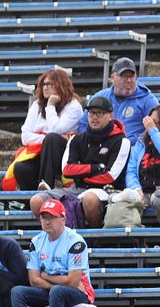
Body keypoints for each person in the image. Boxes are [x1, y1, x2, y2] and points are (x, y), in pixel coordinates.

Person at [32, 95, 129, 229]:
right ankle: (56, 237)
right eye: (91, 113)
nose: (94, 117)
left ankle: (96, 239)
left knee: (89, 199)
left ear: (110, 115)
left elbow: (110, 176)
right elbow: (67, 170)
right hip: (76, 188)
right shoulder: (76, 139)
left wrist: (81, 173)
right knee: (36, 201)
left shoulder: (121, 140)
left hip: (106, 190)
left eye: (100, 113)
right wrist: (95, 169)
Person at [14, 198, 95, 307]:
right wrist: (56, 283)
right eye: (43, 218)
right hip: (52, 292)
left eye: (51, 217)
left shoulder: (75, 241)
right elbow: (34, 280)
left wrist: (45, 276)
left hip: (79, 293)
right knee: (17, 291)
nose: (46, 222)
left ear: (63, 219)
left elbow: (73, 282)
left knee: (57, 291)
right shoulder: (36, 241)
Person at [4, 69, 82, 192]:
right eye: (43, 84)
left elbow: (56, 129)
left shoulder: (73, 105)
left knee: (52, 139)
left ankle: (46, 185)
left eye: (50, 84)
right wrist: (44, 139)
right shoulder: (37, 105)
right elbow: (25, 137)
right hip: (40, 153)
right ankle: (30, 203)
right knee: (20, 167)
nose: (45, 88)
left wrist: (50, 105)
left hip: (64, 155)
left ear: (61, 85)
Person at [78, 58, 160, 146]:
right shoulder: (100, 97)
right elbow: (83, 125)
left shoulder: (148, 99)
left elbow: (157, 128)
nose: (129, 80)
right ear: (113, 78)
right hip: (100, 147)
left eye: (132, 76)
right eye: (124, 76)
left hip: (133, 150)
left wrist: (127, 142)